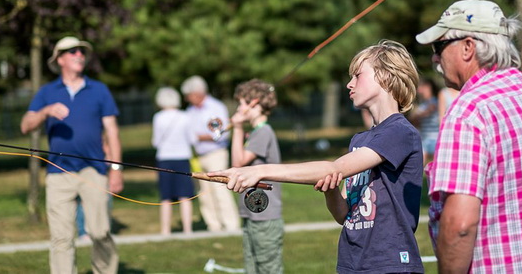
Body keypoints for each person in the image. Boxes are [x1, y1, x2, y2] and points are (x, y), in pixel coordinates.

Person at [211, 40, 424, 274]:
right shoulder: (360, 141)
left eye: (357, 75)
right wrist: (330, 189)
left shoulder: (400, 132)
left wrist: (258, 171)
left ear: (385, 75)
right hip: (352, 261)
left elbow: (334, 168)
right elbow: (343, 214)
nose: (349, 84)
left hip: (390, 263)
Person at [415, 0, 522, 273]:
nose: (434, 57)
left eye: (439, 46)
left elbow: (460, 227)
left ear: (468, 47)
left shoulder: (467, 113)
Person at [21, 36, 122, 274]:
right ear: (59, 59)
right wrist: (45, 112)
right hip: (58, 172)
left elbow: (112, 132)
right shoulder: (47, 92)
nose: (79, 54)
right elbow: (26, 125)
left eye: (82, 51)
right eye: (72, 51)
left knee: (100, 232)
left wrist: (115, 170)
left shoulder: (99, 90)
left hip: (94, 171)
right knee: (61, 237)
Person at [230, 79, 283, 274]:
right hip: (253, 212)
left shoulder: (264, 132)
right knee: (252, 267)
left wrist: (236, 127)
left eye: (242, 103)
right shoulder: (256, 133)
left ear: (254, 104)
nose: (238, 108)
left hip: (264, 215)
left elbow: (238, 162)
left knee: (268, 268)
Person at [181, 75, 240, 232]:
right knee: (204, 193)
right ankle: (213, 225)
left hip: (216, 153)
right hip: (198, 155)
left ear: (198, 93)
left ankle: (230, 225)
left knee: (220, 190)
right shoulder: (190, 111)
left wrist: (199, 136)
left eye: (189, 95)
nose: (187, 99)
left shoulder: (215, 107)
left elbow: (222, 133)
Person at [152, 86, 196, 235]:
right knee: (185, 196)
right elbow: (193, 139)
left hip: (164, 159)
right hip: (182, 157)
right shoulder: (185, 116)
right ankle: (188, 229)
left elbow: (156, 142)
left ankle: (165, 230)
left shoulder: (158, 117)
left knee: (166, 197)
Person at [409, 77, 440, 165]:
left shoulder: (437, 101)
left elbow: (432, 109)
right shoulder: (422, 106)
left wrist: (421, 114)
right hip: (425, 140)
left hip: (436, 138)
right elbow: (413, 120)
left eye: (423, 88)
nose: (420, 91)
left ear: (429, 87)